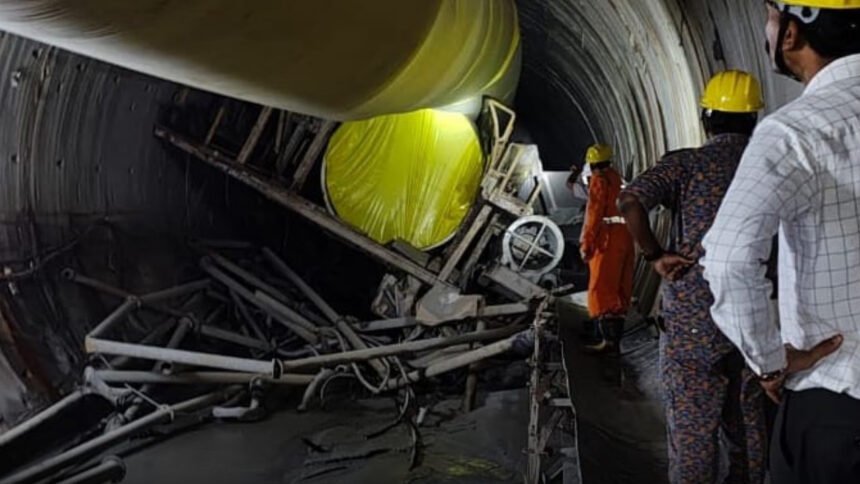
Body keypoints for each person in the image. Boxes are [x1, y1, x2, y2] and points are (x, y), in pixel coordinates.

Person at [701, 2, 860, 483]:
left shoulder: (796, 131)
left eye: (770, 17)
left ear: (792, 33)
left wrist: (769, 361)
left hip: (837, 402)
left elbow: (729, 258)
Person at [618, 70, 767, 483]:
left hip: (693, 322)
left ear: (706, 118)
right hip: (755, 320)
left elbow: (630, 201)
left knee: (693, 434)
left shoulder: (686, 165)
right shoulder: (769, 166)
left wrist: (656, 256)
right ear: (754, 120)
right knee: (750, 430)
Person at [579, 144, 634, 353]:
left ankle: (606, 340)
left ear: (592, 165)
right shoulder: (619, 180)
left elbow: (593, 214)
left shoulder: (599, 181)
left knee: (601, 288)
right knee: (620, 287)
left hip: (607, 238)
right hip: (626, 235)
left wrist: (586, 244)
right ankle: (614, 339)